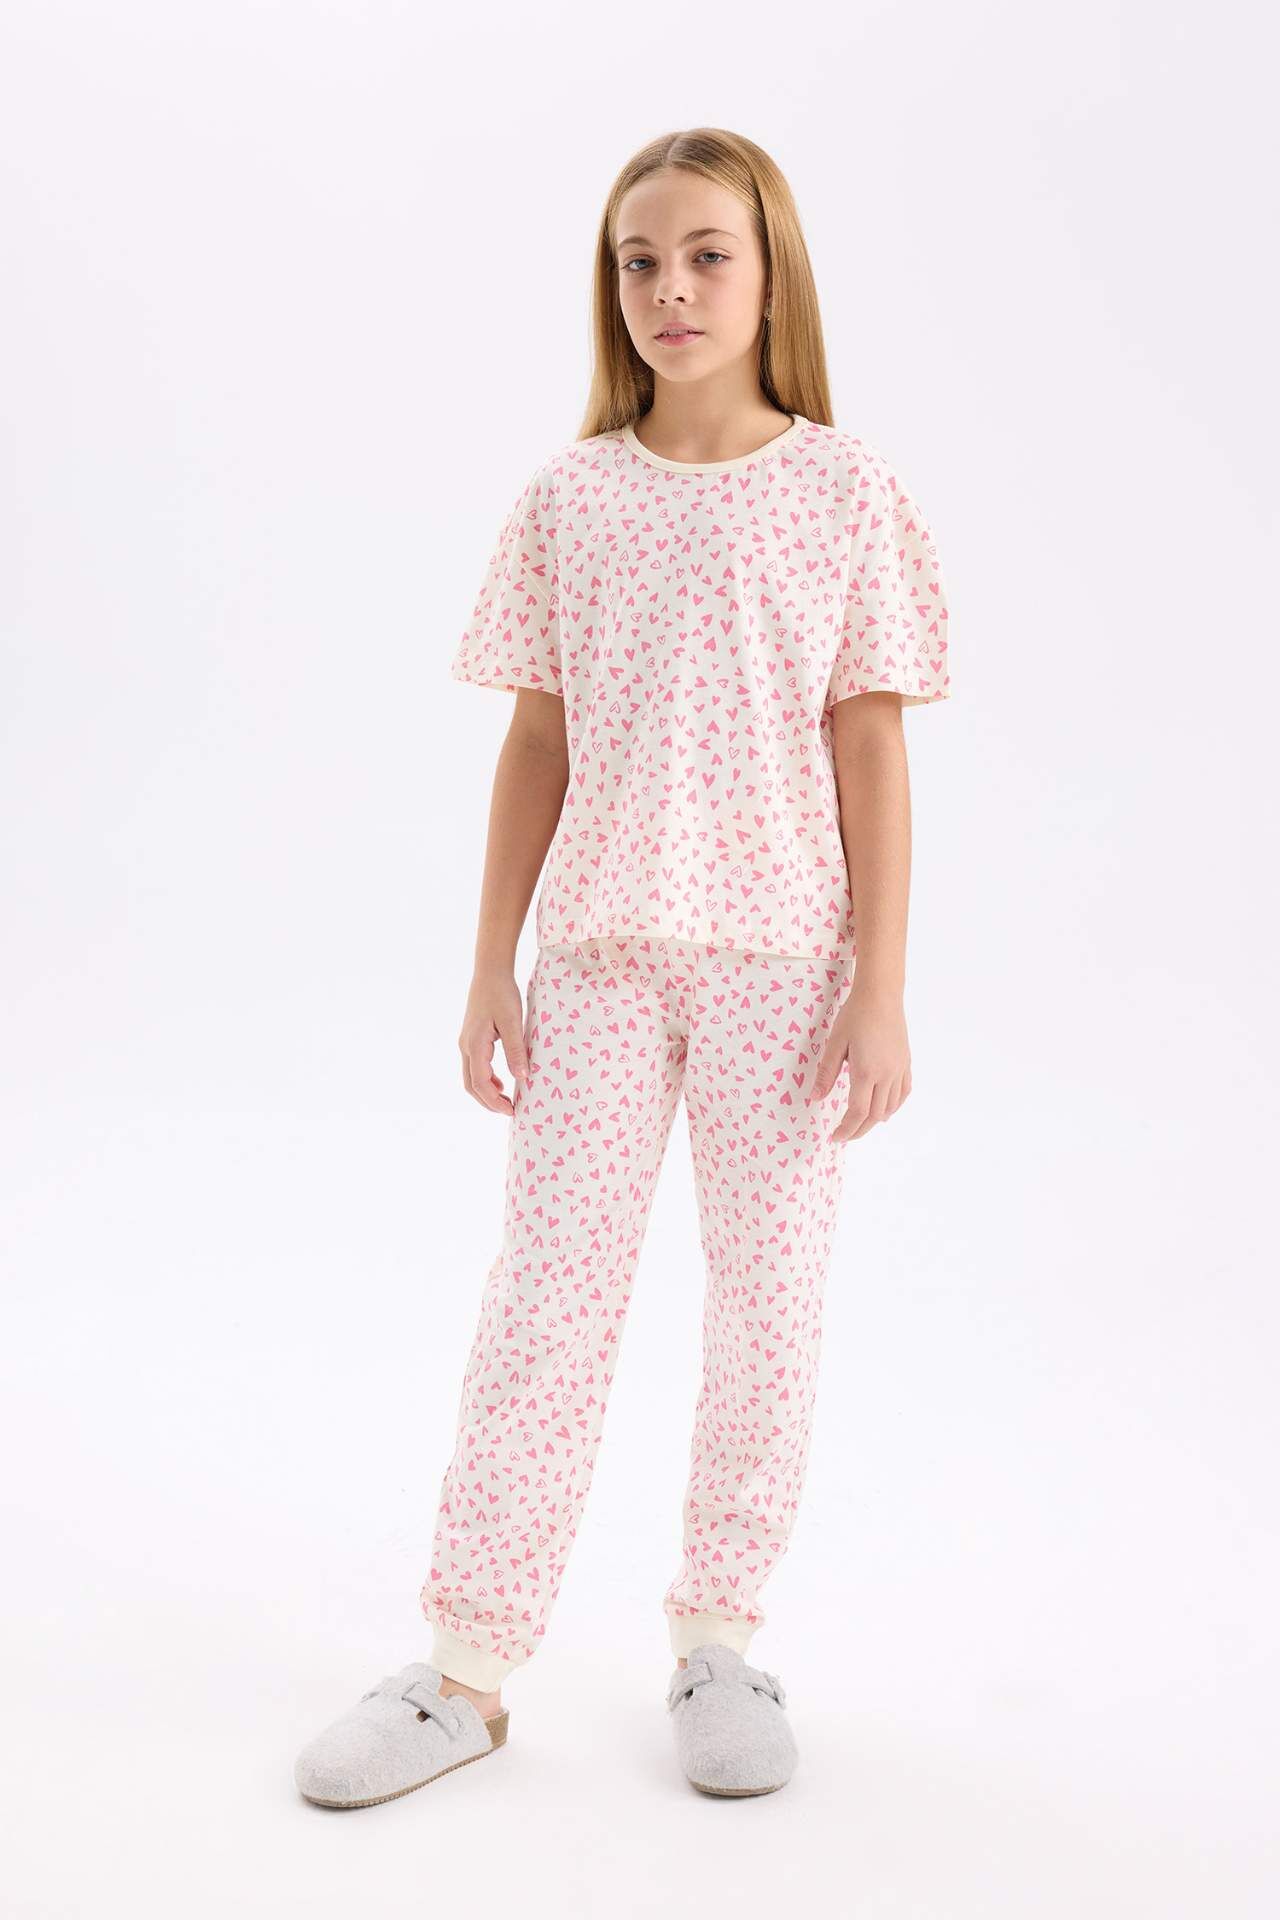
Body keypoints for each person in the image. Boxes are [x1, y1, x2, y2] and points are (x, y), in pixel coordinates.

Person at [293, 124, 951, 1810]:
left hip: (784, 967)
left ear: (771, 274)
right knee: (548, 1302)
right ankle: (468, 1669)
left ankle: (719, 1639)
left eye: (707, 254)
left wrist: (880, 984)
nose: (671, 287)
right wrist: (489, 964)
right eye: (639, 261)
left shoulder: (846, 490)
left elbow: (871, 745)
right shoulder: (570, 496)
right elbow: (538, 739)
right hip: (594, 959)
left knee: (767, 1307)